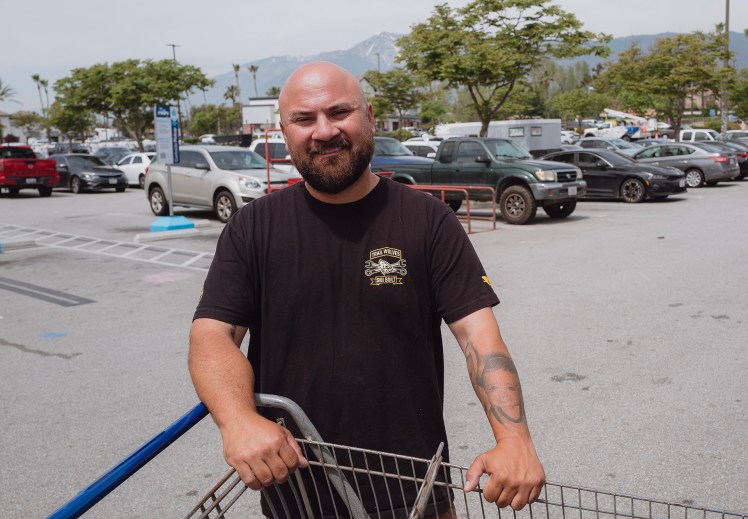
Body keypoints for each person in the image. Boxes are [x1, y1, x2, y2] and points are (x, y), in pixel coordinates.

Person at [189, 61, 545, 517]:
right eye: (304, 119)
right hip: (296, 496)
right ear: (283, 130)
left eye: (339, 112)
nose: (323, 131)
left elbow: (479, 337)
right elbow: (210, 337)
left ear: (370, 117)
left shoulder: (428, 221)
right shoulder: (253, 228)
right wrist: (237, 422)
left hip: (415, 496)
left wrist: (514, 439)